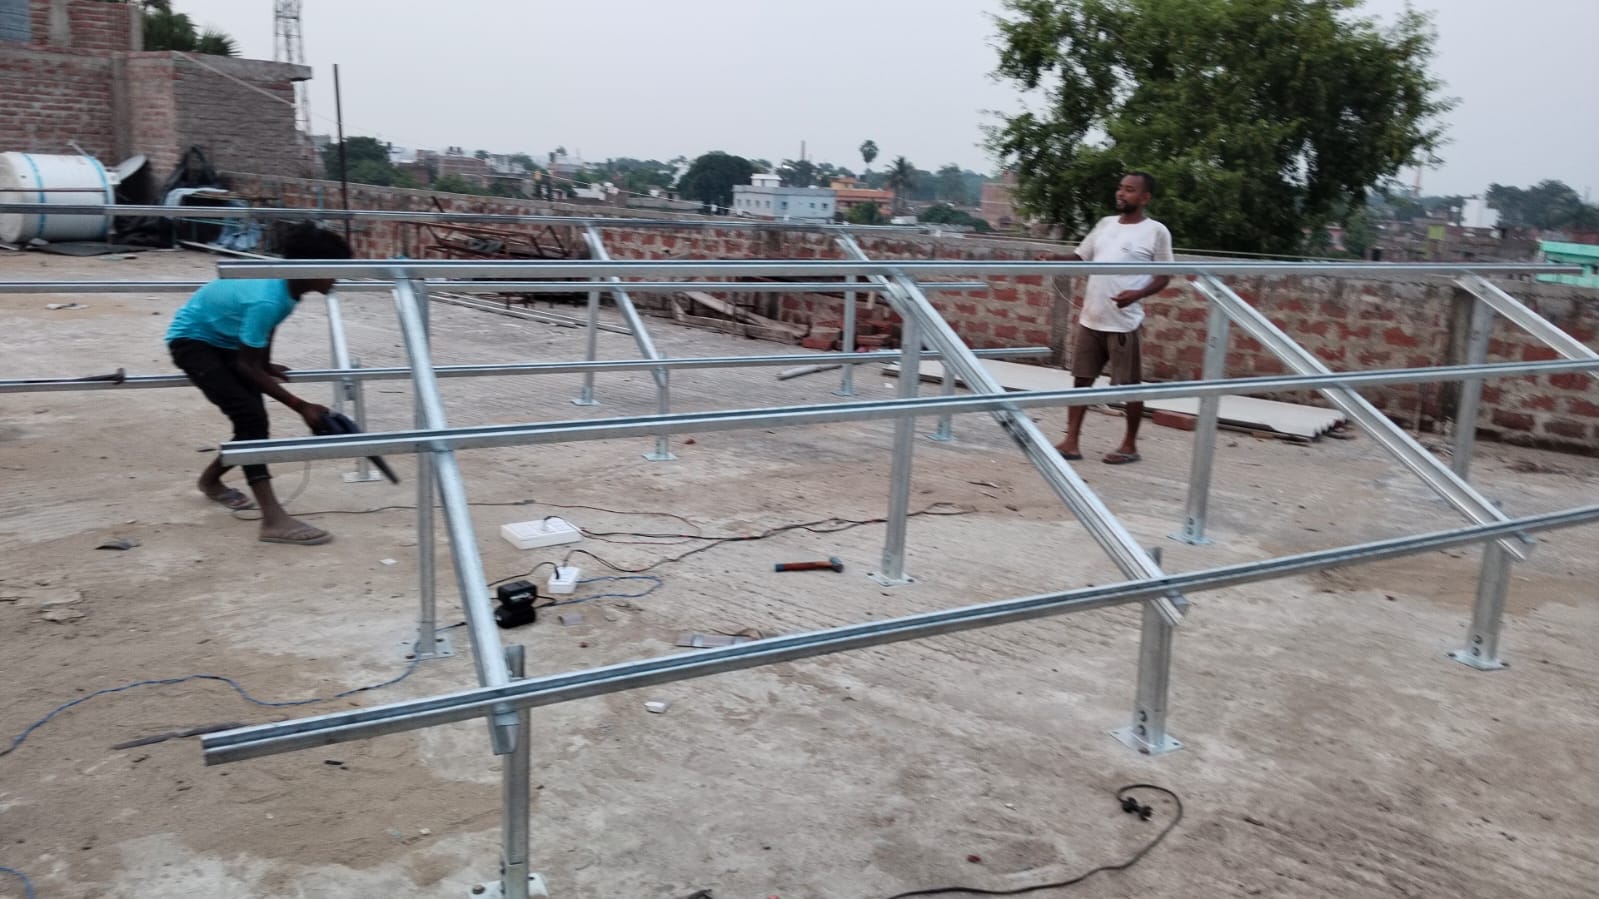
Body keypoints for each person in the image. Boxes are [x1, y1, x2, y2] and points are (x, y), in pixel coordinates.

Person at [166, 222, 351, 545]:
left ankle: (210, 481)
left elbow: (266, 329)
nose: (338, 279)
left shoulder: (288, 290)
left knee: (251, 422)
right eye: (333, 271)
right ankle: (272, 519)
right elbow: (246, 362)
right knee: (251, 417)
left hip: (227, 341)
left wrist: (264, 364)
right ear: (309, 269)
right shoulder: (269, 297)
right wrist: (301, 406)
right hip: (193, 341)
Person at [1055, 171, 1174, 465]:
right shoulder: (1105, 224)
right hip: (1091, 317)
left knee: (1129, 386)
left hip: (1123, 321)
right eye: (1120, 188)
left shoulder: (1156, 231)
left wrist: (1137, 294)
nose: (1121, 193)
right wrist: (1053, 259)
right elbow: (1080, 257)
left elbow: (1164, 277)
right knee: (1081, 380)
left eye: (1130, 190)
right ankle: (1071, 441)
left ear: (1144, 198)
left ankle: (1129, 445)